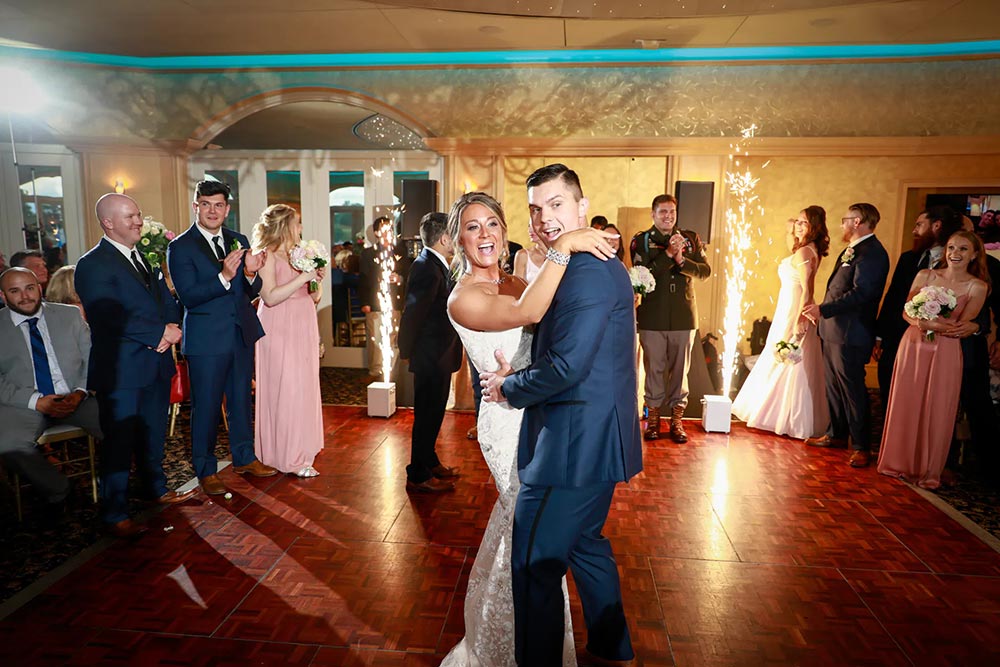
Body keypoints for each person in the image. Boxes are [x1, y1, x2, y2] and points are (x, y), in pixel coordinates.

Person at [444, 188, 618, 667]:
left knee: (530, 530)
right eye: (473, 227)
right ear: (458, 239)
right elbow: (530, 315)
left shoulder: (514, 279)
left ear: (504, 231)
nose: (485, 234)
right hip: (505, 423)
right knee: (531, 530)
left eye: (493, 224)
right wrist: (566, 247)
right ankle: (505, 646)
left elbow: (555, 325)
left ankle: (528, 638)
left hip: (542, 412)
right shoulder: (464, 298)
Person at [482, 164, 643, 666]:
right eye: (535, 207)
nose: (545, 216)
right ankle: (613, 647)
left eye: (555, 204)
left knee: (533, 564)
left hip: (571, 444)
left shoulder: (588, 269)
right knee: (584, 545)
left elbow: (568, 366)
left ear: (580, 204)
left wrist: (510, 386)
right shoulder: (580, 262)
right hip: (595, 437)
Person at [75, 194, 196, 537]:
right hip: (122, 371)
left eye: (138, 215)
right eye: (130, 216)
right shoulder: (93, 264)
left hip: (156, 364)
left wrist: (171, 330)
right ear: (108, 222)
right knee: (119, 443)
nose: (139, 221)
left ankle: (155, 490)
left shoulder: (145, 259)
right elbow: (106, 315)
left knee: (153, 435)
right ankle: (115, 514)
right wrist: (158, 333)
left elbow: (168, 303)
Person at [167, 180, 277, 496]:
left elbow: (249, 293)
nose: (212, 210)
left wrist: (251, 275)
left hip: (239, 333)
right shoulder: (181, 246)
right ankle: (206, 469)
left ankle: (244, 458)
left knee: (241, 401)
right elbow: (188, 296)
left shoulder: (237, 240)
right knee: (207, 407)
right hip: (205, 340)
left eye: (218, 205)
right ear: (196, 206)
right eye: (206, 204)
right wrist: (224, 277)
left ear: (227, 209)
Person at [878, 231, 989, 488]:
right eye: (951, 248)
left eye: (962, 249)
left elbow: (961, 326)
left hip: (946, 351)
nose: (955, 254)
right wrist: (920, 321)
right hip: (913, 345)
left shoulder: (977, 286)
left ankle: (927, 469)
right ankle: (897, 462)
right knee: (906, 401)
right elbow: (906, 311)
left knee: (938, 406)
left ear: (974, 255)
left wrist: (933, 324)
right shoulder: (925, 275)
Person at [0, 267, 100, 517]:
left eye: (30, 288)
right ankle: (60, 490)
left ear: (40, 288)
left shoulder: (69, 316)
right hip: (24, 403)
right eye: (15, 291)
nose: (25, 296)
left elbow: (92, 359)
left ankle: (118, 488)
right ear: (3, 296)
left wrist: (79, 392)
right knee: (7, 445)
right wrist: (37, 402)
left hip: (76, 397)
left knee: (120, 421)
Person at [803, 203, 890, 468]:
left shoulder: (873, 253)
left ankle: (862, 446)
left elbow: (862, 293)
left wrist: (824, 309)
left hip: (851, 333)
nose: (842, 224)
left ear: (858, 221)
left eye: (846, 219)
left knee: (853, 390)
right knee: (834, 386)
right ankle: (836, 434)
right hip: (833, 330)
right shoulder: (852, 249)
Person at [732, 206, 830, 439]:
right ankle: (776, 412)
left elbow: (808, 288)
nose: (797, 225)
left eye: (804, 223)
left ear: (814, 227)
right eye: (798, 221)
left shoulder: (805, 252)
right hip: (787, 305)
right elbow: (792, 239)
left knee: (788, 358)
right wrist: (793, 227)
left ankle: (786, 416)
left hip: (794, 308)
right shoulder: (805, 249)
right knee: (783, 357)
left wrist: (799, 319)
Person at [250, 204, 326, 478]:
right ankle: (285, 456)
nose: (301, 228)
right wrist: (302, 279)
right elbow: (269, 297)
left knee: (303, 387)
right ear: (285, 226)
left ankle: (301, 449)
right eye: (298, 223)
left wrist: (317, 281)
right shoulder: (266, 256)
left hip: (303, 323)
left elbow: (313, 298)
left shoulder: (299, 256)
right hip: (279, 325)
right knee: (286, 388)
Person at [630, 193, 712, 443]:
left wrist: (681, 260)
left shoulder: (690, 238)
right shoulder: (641, 241)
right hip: (652, 317)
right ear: (653, 214)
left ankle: (676, 422)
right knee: (653, 370)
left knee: (680, 372)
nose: (668, 216)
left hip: (684, 316)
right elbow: (640, 278)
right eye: (662, 212)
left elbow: (705, 271)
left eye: (672, 212)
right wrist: (667, 255)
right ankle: (653, 421)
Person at [397, 212, 463, 493]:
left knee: (435, 413)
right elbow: (413, 313)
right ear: (445, 238)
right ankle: (418, 474)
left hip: (439, 353)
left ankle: (430, 460)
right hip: (429, 354)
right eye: (455, 235)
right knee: (426, 415)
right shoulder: (426, 267)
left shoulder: (437, 265)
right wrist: (406, 349)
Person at [874, 207, 963, 414]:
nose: (914, 230)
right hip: (899, 336)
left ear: (936, 226)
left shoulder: (955, 263)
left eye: (919, 225)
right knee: (888, 383)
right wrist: (880, 335)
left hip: (938, 341)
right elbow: (893, 298)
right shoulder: (908, 259)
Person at [358, 215, 407, 378]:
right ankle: (375, 374)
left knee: (394, 341)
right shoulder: (368, 253)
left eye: (390, 229)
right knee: (377, 343)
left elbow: (408, 274)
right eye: (384, 229)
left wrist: (399, 278)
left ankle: (392, 375)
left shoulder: (400, 251)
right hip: (375, 304)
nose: (388, 232)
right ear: (377, 233)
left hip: (396, 304)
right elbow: (364, 279)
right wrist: (365, 302)